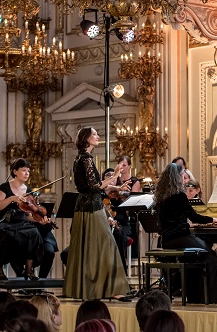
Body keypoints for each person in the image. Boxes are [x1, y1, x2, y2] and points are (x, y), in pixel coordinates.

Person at [63, 126, 131, 301]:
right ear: (86, 138)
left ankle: (91, 289)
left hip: (86, 206)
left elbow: (91, 186)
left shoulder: (82, 158)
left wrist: (115, 185)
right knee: (106, 245)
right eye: (94, 134)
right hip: (91, 208)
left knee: (89, 249)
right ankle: (111, 290)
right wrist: (115, 175)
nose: (97, 136)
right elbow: (95, 187)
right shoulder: (85, 159)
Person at [154, 162, 217, 304]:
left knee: (193, 257)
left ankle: (195, 296)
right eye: (182, 176)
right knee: (209, 254)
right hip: (180, 237)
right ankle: (211, 297)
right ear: (177, 177)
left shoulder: (161, 197)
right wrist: (213, 219)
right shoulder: (179, 195)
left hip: (167, 240)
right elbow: (194, 217)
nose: (184, 179)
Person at [0, 158, 45, 280]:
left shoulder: (29, 191)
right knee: (10, 235)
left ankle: (28, 269)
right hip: (4, 222)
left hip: (21, 223)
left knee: (34, 233)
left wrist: (38, 219)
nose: (27, 173)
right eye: (24, 170)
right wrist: (11, 199)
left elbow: (28, 215)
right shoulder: (4, 187)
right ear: (15, 171)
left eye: (28, 171)